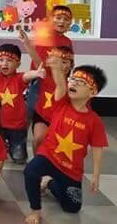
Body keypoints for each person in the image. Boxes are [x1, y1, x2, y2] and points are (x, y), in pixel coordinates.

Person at [23, 62, 108, 224]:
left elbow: (98, 148)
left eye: (81, 82)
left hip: (71, 169)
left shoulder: (94, 121)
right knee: (31, 171)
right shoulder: (61, 102)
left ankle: (49, 183)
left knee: (72, 207)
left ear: (93, 91)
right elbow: (61, 84)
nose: (74, 83)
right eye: (73, 79)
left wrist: (96, 175)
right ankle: (35, 210)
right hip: (49, 156)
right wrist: (56, 67)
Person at [0, 45, 44, 163]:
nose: (5, 64)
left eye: (9, 61)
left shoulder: (19, 79)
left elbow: (27, 75)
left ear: (18, 64)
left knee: (19, 158)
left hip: (17, 127)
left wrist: (36, 73)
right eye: (1, 60)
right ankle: (1, 151)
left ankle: (14, 152)